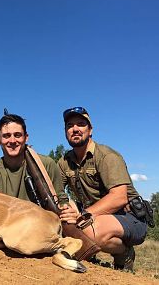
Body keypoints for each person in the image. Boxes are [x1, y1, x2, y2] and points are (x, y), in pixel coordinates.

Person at [58, 106, 147, 271]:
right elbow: (57, 191)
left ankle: (124, 253)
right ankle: (90, 253)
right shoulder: (64, 161)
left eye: (81, 124)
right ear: (65, 131)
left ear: (90, 130)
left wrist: (83, 215)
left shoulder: (107, 156)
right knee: (62, 225)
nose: (75, 129)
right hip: (97, 216)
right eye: (70, 125)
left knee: (87, 232)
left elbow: (120, 197)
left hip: (130, 217)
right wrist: (66, 210)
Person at [0, 112, 69, 204]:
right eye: (6, 136)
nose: (12, 141)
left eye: (17, 135)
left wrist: (66, 209)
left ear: (26, 137)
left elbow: (62, 201)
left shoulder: (46, 164)